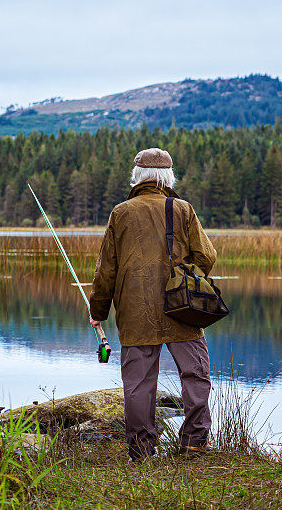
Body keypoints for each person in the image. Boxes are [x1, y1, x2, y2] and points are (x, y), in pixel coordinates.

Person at [88, 147, 217, 460]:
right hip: (184, 307)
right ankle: (194, 443)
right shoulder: (183, 209)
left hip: (135, 313)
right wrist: (187, 279)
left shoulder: (121, 213)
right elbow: (207, 256)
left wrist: (98, 312)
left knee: (138, 385)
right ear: (167, 176)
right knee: (195, 375)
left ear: (137, 176)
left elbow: (107, 270)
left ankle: (142, 451)